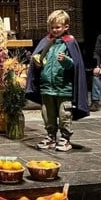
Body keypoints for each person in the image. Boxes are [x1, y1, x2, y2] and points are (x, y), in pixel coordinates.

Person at [25, 10, 90, 151]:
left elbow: (75, 66)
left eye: (57, 27)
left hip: (63, 87)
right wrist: (37, 63)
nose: (54, 30)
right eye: (52, 27)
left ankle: (65, 138)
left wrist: (66, 61)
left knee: (64, 114)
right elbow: (39, 60)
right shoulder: (46, 41)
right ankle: (51, 137)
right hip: (47, 87)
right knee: (48, 115)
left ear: (66, 27)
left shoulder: (70, 42)